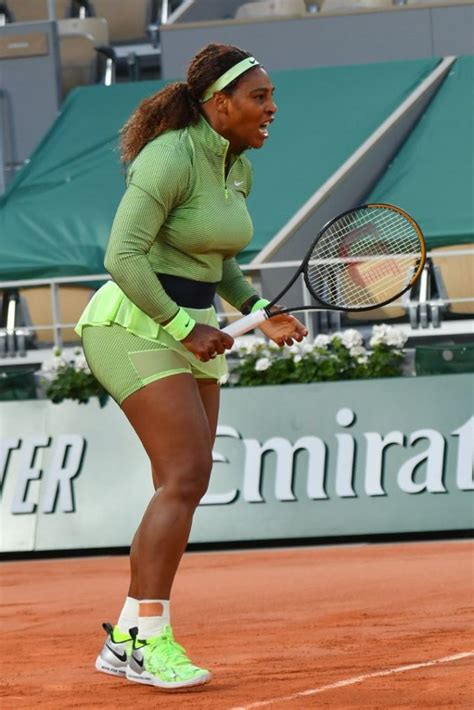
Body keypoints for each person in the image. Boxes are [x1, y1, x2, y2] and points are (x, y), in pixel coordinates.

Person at [75, 42, 307, 691]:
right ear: (219, 103)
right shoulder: (168, 157)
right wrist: (183, 327)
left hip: (193, 332)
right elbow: (123, 256)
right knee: (186, 473)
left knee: (185, 483)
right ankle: (152, 640)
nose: (272, 109)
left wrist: (260, 308)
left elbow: (220, 260)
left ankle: (126, 638)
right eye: (260, 98)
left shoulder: (237, 168)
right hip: (132, 327)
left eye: (270, 97)